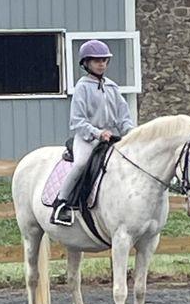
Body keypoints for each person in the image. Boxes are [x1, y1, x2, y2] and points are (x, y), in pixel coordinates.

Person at [51, 39, 134, 226]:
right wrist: (97, 133)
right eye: (97, 61)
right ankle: (61, 203)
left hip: (111, 139)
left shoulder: (112, 88)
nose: (101, 64)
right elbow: (77, 121)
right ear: (86, 63)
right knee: (80, 164)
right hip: (87, 139)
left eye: (104, 60)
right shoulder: (81, 88)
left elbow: (124, 118)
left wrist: (131, 133)